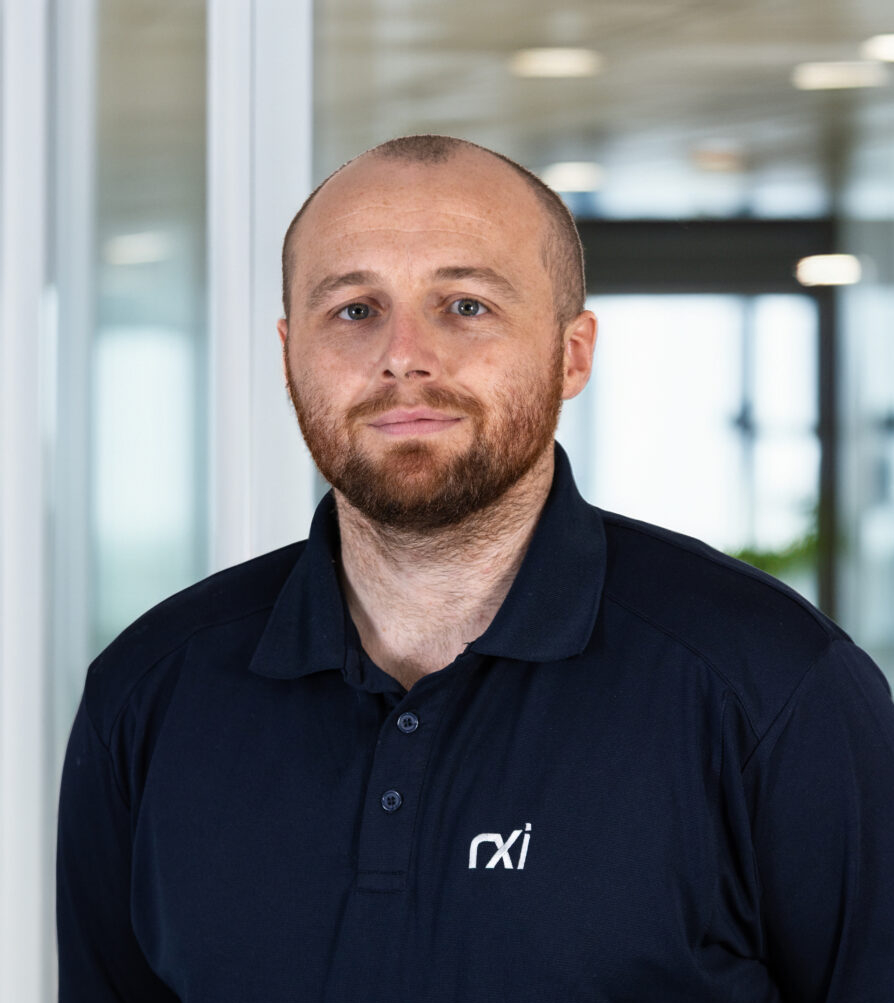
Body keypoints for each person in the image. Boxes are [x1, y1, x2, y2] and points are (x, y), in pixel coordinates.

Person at [57, 135, 894, 1002]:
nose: (404, 354)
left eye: (465, 305)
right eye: (354, 309)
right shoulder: (148, 692)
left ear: (573, 354)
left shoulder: (775, 687)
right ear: (288, 353)